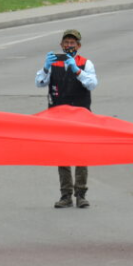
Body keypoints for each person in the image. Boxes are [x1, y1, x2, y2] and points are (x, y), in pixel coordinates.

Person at [35, 29, 99, 209]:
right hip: (58, 116)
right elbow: (39, 82)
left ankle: (81, 194)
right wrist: (46, 67)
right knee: (61, 154)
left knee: (81, 154)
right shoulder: (54, 62)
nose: (69, 46)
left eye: (73, 43)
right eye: (66, 43)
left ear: (78, 46)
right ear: (61, 45)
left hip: (80, 116)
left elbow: (92, 84)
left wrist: (77, 71)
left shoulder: (86, 64)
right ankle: (65, 195)